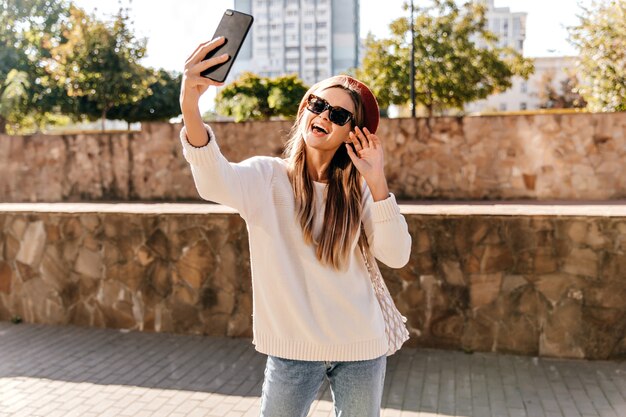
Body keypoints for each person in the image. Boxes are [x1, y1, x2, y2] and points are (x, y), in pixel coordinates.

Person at [179, 37, 412, 417]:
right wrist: (190, 103)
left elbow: (397, 255)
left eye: (338, 115)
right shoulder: (266, 178)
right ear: (305, 109)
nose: (323, 116)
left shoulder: (362, 190)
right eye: (317, 105)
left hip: (362, 349)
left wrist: (377, 180)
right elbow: (212, 181)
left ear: (352, 132)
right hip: (292, 352)